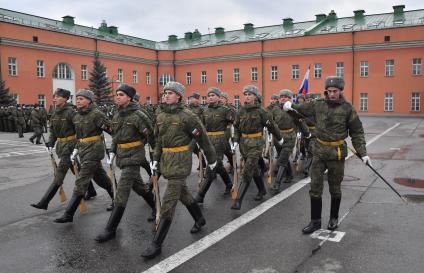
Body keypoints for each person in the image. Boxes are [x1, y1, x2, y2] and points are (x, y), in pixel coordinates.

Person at [283, 76, 370, 233]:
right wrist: (290, 106)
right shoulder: (318, 104)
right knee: (315, 186)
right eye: (329, 91)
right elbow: (300, 110)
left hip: (336, 154)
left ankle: (333, 218)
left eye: (335, 91)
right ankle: (315, 221)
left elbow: (357, 132)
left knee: (335, 188)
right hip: (319, 151)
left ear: (340, 91)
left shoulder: (348, 109)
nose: (331, 94)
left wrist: (363, 153)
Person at [141, 81, 217, 259]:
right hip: (167, 161)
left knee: (169, 201)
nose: (166, 95)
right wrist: (154, 159)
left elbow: (203, 139)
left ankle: (156, 243)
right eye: (165, 92)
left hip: (181, 161)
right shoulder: (160, 115)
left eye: (170, 92)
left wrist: (212, 161)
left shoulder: (187, 116)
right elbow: (158, 140)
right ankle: (200, 219)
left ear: (179, 96)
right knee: (183, 193)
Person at [95, 84, 156, 243]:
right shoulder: (117, 115)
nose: (117, 97)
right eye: (116, 94)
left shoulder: (139, 115)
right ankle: (156, 208)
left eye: (121, 94)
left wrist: (155, 156)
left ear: (129, 97)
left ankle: (110, 229)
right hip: (122, 157)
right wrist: (113, 151)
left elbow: (151, 136)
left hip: (134, 157)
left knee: (121, 192)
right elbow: (115, 136)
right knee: (140, 187)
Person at [54, 89, 114, 223]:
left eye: (81, 99)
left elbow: (112, 131)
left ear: (89, 100)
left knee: (81, 180)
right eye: (77, 99)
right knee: (100, 178)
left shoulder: (97, 114)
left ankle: (68, 214)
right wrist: (75, 150)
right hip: (83, 150)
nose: (78, 101)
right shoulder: (78, 116)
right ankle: (116, 197)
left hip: (94, 151)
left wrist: (114, 149)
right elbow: (80, 136)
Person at [231, 85, 283, 210]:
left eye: (250, 94)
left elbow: (272, 126)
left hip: (256, 142)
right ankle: (262, 190)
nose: (247, 96)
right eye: (246, 94)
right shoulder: (241, 111)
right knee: (254, 169)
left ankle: (238, 200)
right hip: (244, 144)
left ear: (255, 96)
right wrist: (236, 140)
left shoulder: (261, 111)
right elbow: (237, 127)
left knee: (247, 169)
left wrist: (279, 137)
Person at [30, 89, 77, 210]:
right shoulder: (55, 113)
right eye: (54, 96)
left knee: (59, 173)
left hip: (70, 146)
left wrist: (77, 146)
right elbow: (53, 131)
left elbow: (80, 130)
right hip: (61, 146)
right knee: (77, 169)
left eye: (58, 96)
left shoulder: (71, 111)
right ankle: (91, 190)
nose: (54, 98)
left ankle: (44, 202)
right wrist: (50, 144)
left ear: (66, 98)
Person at [194, 87, 233, 203]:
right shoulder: (204, 111)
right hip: (208, 139)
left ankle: (200, 195)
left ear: (219, 97)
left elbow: (236, 122)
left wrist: (235, 138)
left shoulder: (225, 110)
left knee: (212, 166)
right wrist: (198, 140)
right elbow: (201, 127)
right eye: (209, 96)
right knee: (218, 165)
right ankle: (229, 183)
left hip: (220, 139)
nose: (210, 97)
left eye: (213, 95)